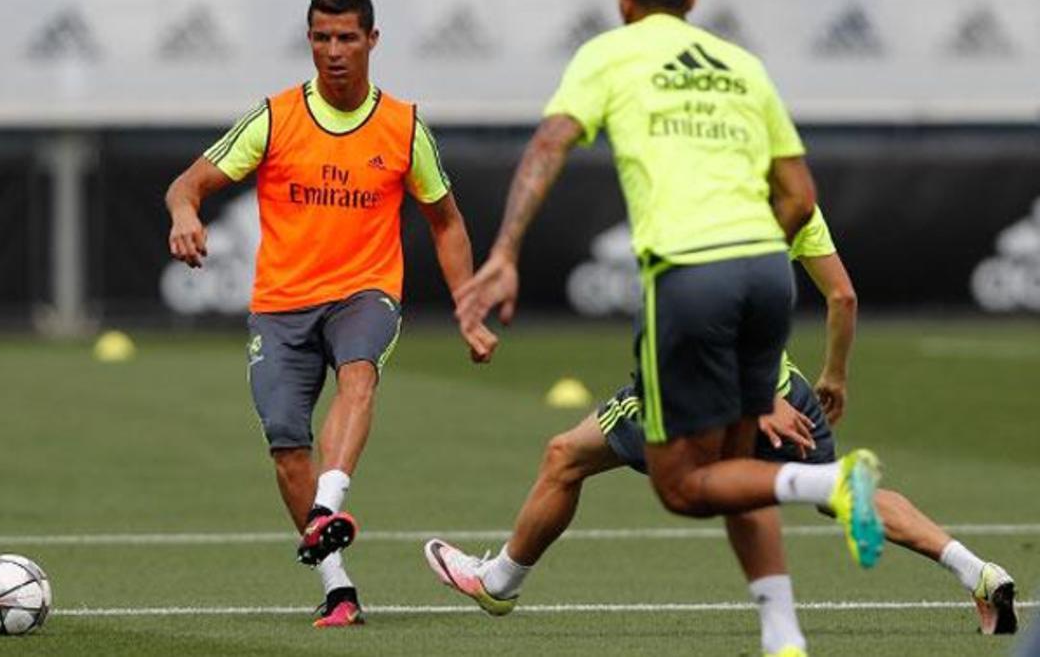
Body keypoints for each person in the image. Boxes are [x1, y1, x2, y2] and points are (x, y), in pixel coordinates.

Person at [452, 0, 885, 654]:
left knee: (682, 485)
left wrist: (506, 249)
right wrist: (752, 252)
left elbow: (550, 143)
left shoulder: (612, 53)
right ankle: (783, 636)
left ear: (624, 2)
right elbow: (800, 195)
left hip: (690, 274)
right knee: (739, 468)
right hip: (769, 271)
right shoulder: (741, 65)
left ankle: (832, 480)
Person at [428, 206, 1019, 636]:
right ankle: (978, 571)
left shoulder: (707, 207)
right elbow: (843, 298)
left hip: (708, 387)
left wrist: (758, 395)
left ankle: (500, 581)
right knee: (838, 494)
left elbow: (707, 311)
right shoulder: (796, 205)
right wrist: (833, 375)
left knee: (568, 455)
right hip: (787, 388)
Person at [164, 0, 497, 628]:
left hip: (364, 292)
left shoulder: (403, 127)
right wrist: (184, 212)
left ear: (373, 41)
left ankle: (329, 503)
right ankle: (338, 587)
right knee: (288, 447)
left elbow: (446, 222)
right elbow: (188, 183)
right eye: (322, 38)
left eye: (347, 38)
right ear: (309, 40)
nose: (334, 51)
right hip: (281, 304)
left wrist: (468, 307)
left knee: (358, 373)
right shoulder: (275, 116)